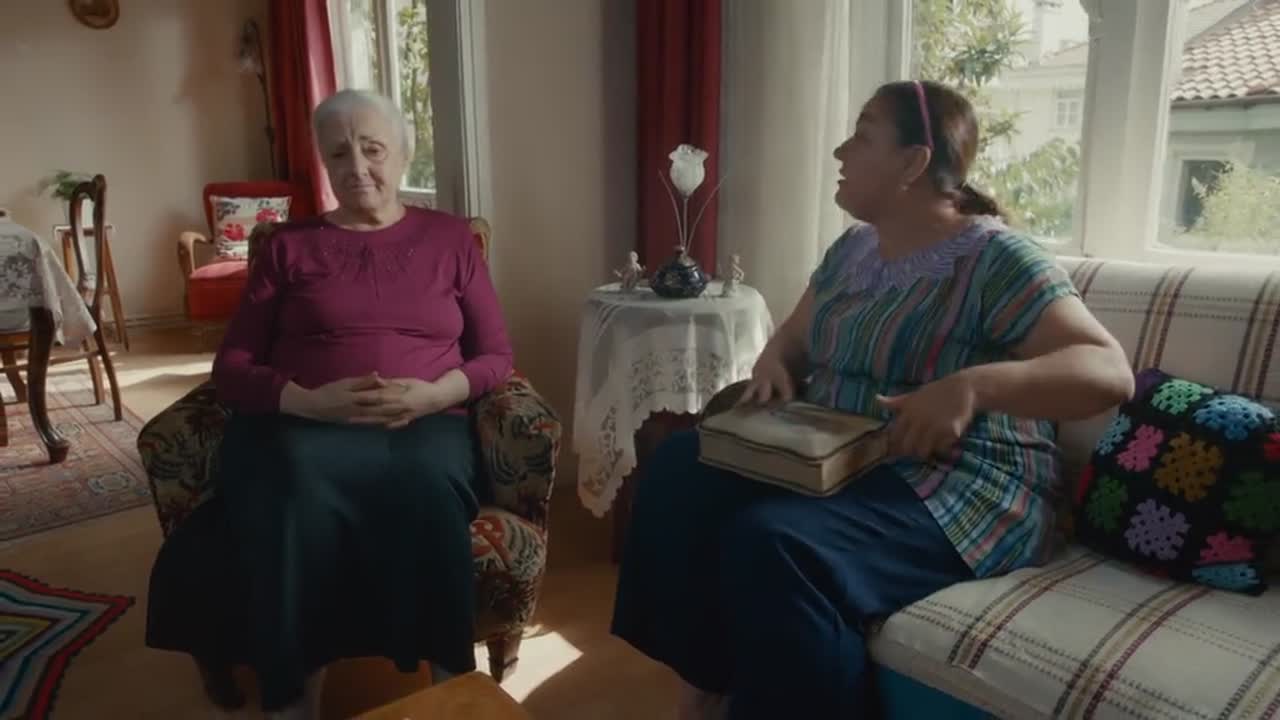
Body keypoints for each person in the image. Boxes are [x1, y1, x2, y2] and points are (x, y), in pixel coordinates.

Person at [610, 80, 1134, 719]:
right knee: (677, 471)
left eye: (861, 136)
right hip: (842, 459)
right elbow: (794, 338)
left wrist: (971, 386)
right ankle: (713, 681)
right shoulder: (851, 251)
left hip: (957, 483)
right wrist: (775, 363)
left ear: (913, 162)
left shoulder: (995, 258)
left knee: (773, 542)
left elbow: (1108, 372)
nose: (839, 152)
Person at [150, 89, 512, 720]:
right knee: (293, 487)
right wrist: (307, 402)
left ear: (404, 153)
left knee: (428, 485)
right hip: (302, 426)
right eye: (339, 153)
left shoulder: (451, 239)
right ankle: (294, 693)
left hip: (424, 422)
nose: (357, 167)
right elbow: (231, 366)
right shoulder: (287, 247)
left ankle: (452, 683)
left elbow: (496, 356)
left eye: (373, 149)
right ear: (323, 161)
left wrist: (436, 393)